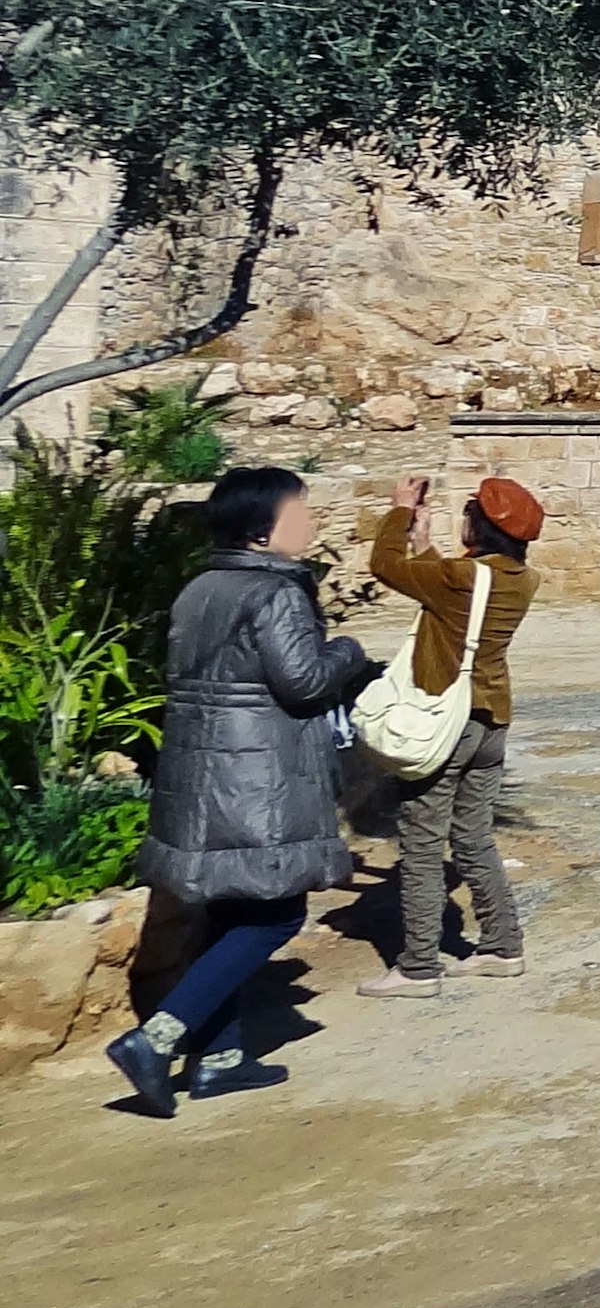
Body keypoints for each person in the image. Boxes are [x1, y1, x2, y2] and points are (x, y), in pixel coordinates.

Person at [104, 466, 380, 1114]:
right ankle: (157, 1037)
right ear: (262, 532)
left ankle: (221, 1057)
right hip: (258, 775)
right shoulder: (275, 592)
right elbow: (305, 682)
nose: (309, 522)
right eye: (299, 511)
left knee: (230, 910)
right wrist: (349, 650)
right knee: (277, 913)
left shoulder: (201, 587)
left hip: (204, 771)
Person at [357, 472, 545, 997]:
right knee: (473, 836)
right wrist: (427, 543)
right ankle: (502, 945)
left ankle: (418, 967)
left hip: (447, 724)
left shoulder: (461, 580)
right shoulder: (520, 579)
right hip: (491, 721)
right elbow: (455, 587)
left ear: (477, 527)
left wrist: (398, 513)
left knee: (420, 842)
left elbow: (385, 566)